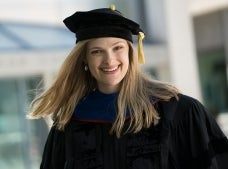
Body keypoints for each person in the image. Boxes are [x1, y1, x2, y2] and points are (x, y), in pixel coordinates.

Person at [28, 5, 228, 169]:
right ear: (85, 60)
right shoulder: (69, 124)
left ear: (131, 54)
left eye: (118, 48)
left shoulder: (178, 112)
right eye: (97, 51)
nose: (109, 60)